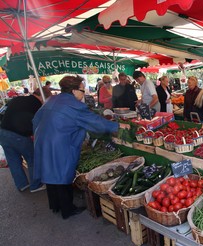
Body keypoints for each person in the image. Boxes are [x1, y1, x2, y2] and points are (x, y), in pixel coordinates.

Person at [32, 75, 124, 219]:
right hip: (60, 144)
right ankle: (67, 210)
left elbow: (35, 119)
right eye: (82, 90)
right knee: (62, 175)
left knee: (49, 172)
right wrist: (116, 126)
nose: (83, 94)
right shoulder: (74, 106)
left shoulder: (52, 99)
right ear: (74, 91)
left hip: (42, 140)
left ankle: (55, 205)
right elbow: (96, 123)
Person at [0, 88, 51, 192]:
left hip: (3, 132)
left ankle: (22, 185)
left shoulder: (17, 99)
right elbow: (39, 125)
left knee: (13, 160)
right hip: (18, 136)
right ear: (42, 96)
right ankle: (36, 185)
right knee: (32, 158)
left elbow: (3, 111)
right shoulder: (37, 105)